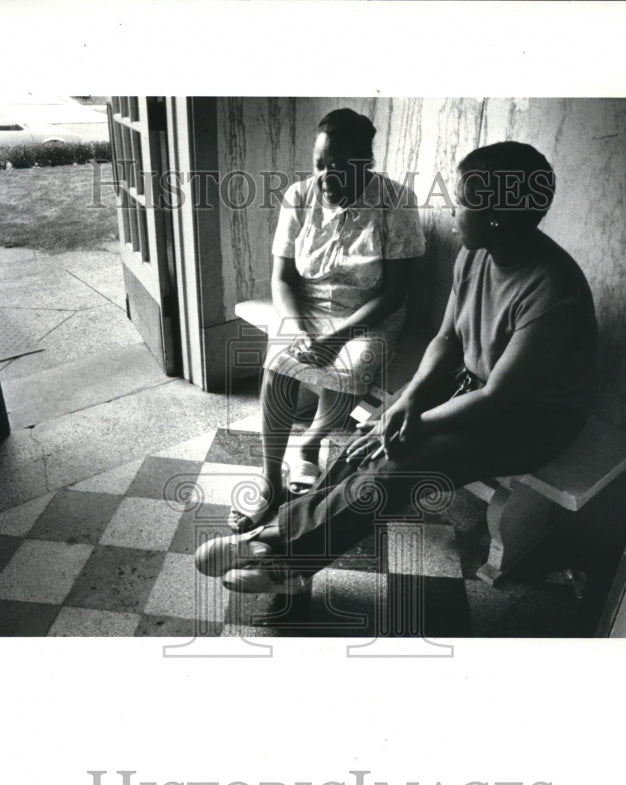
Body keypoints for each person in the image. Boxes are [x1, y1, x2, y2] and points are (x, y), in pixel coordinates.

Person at [202, 141, 599, 594]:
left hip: (530, 418)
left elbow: (499, 398)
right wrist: (406, 402)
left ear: (496, 216)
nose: (452, 210)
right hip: (470, 386)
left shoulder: (553, 293)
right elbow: (447, 339)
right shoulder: (477, 252)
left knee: (399, 462)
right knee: (366, 442)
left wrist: (416, 422)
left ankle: (276, 549)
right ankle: (287, 560)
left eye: (462, 201)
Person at [228, 108, 426, 533]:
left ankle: (311, 443)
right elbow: (281, 278)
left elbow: (395, 292)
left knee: (351, 365)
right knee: (280, 364)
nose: (325, 178)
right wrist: (297, 328)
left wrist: (338, 335)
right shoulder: (299, 196)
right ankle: (269, 478)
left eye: (338, 168)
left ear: (366, 165)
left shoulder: (396, 202)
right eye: (319, 165)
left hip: (369, 313)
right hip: (303, 308)